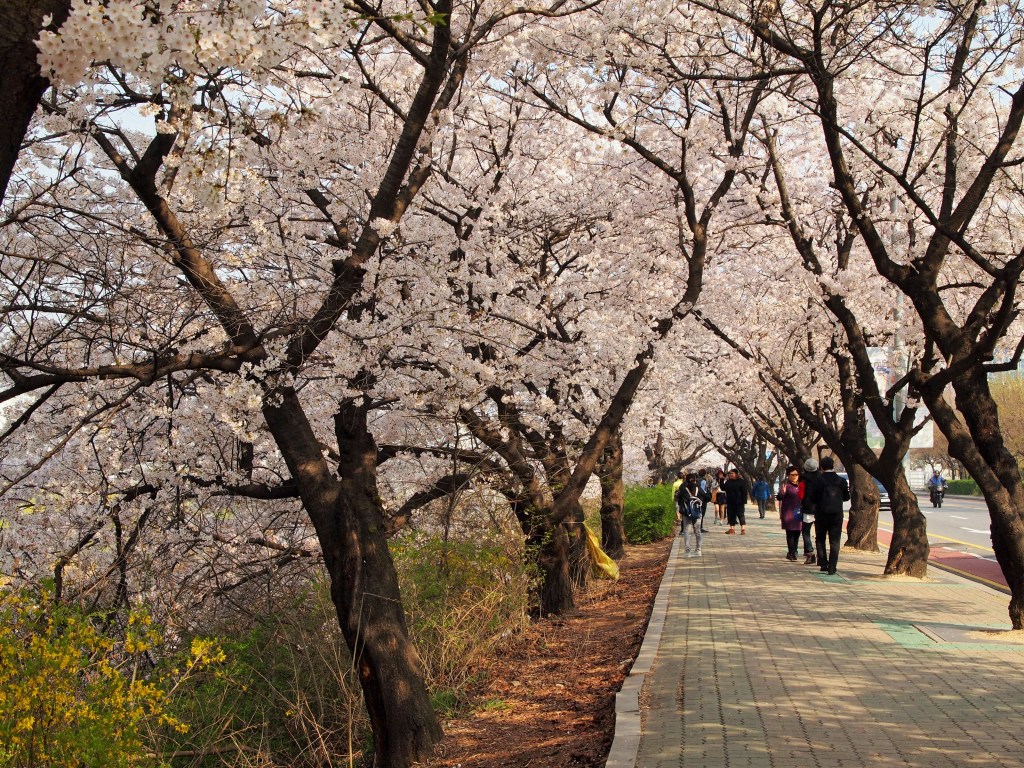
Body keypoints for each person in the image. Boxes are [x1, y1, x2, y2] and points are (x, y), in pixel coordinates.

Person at [807, 456, 850, 575]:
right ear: (833, 466)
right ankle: (832, 567)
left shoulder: (818, 480)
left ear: (821, 467)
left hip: (821, 514)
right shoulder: (841, 481)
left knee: (820, 539)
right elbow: (847, 497)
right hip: (836, 515)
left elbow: (812, 498)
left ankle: (823, 564)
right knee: (835, 541)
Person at [777, 465, 803, 560]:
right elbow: (779, 497)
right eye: (792, 475)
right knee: (790, 533)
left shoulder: (801, 485)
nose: (795, 476)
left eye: (796, 474)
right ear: (788, 475)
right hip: (788, 513)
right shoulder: (786, 486)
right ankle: (791, 552)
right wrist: (782, 493)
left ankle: (794, 551)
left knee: (797, 533)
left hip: (798, 513)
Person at [675, 472, 703, 557]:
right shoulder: (698, 488)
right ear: (695, 479)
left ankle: (687, 552)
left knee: (687, 531)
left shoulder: (683, 488)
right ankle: (698, 550)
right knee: (697, 531)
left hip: (687, 512)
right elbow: (707, 497)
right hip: (697, 512)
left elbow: (677, 498)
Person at [798, 458, 819, 565]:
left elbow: (800, 495)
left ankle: (810, 554)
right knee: (819, 532)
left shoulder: (803, 481)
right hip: (820, 510)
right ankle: (821, 554)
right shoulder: (821, 479)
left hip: (808, 509)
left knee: (806, 532)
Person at [721, 468, 749, 535]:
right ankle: (732, 529)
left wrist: (744, 501)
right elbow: (723, 488)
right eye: (730, 473)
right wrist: (721, 480)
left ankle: (743, 529)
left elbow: (745, 492)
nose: (731, 475)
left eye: (732, 473)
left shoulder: (741, 482)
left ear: (736, 474)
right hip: (730, 501)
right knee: (731, 515)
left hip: (739, 502)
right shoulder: (728, 482)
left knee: (741, 515)